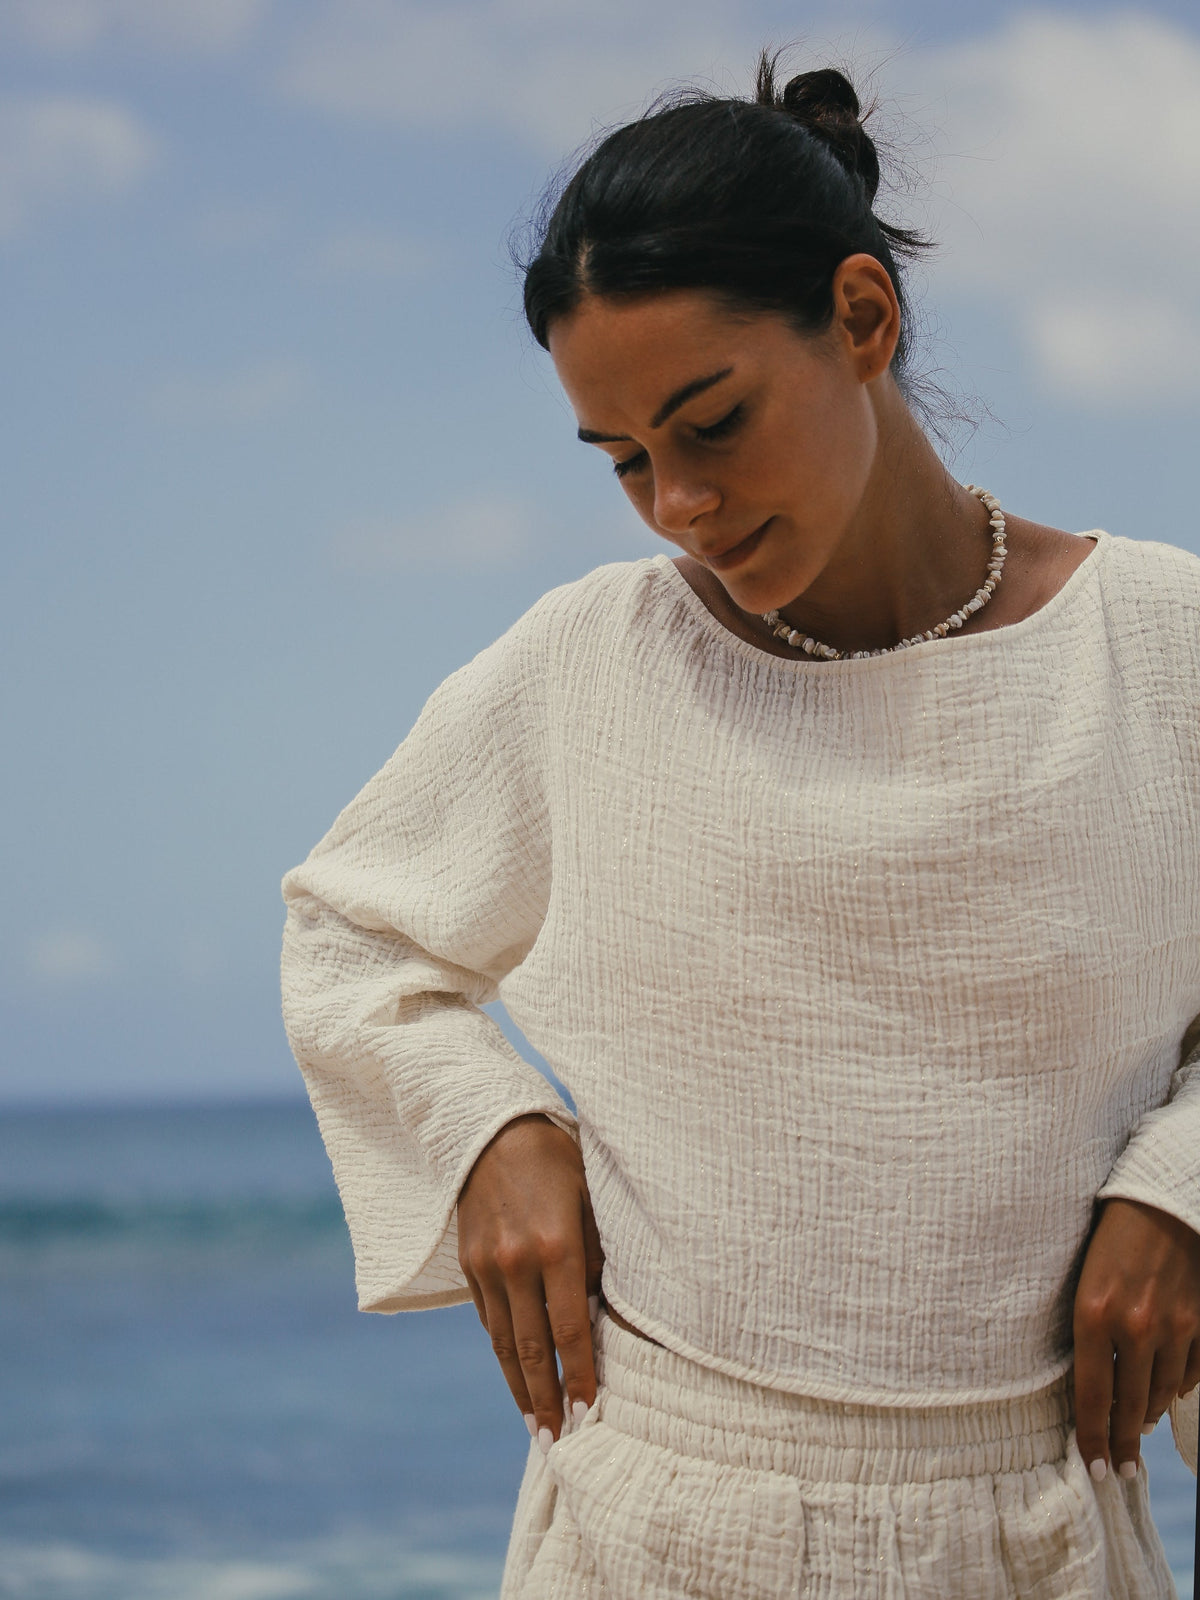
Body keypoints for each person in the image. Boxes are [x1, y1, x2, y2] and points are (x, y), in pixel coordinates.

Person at [281, 53, 1200, 1597]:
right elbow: (353, 932)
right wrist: (491, 1129)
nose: (677, 507)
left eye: (710, 424)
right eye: (626, 459)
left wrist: (1186, 1185)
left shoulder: (1161, 650)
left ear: (862, 319)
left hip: (1031, 1531)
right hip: (651, 1528)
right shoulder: (589, 666)